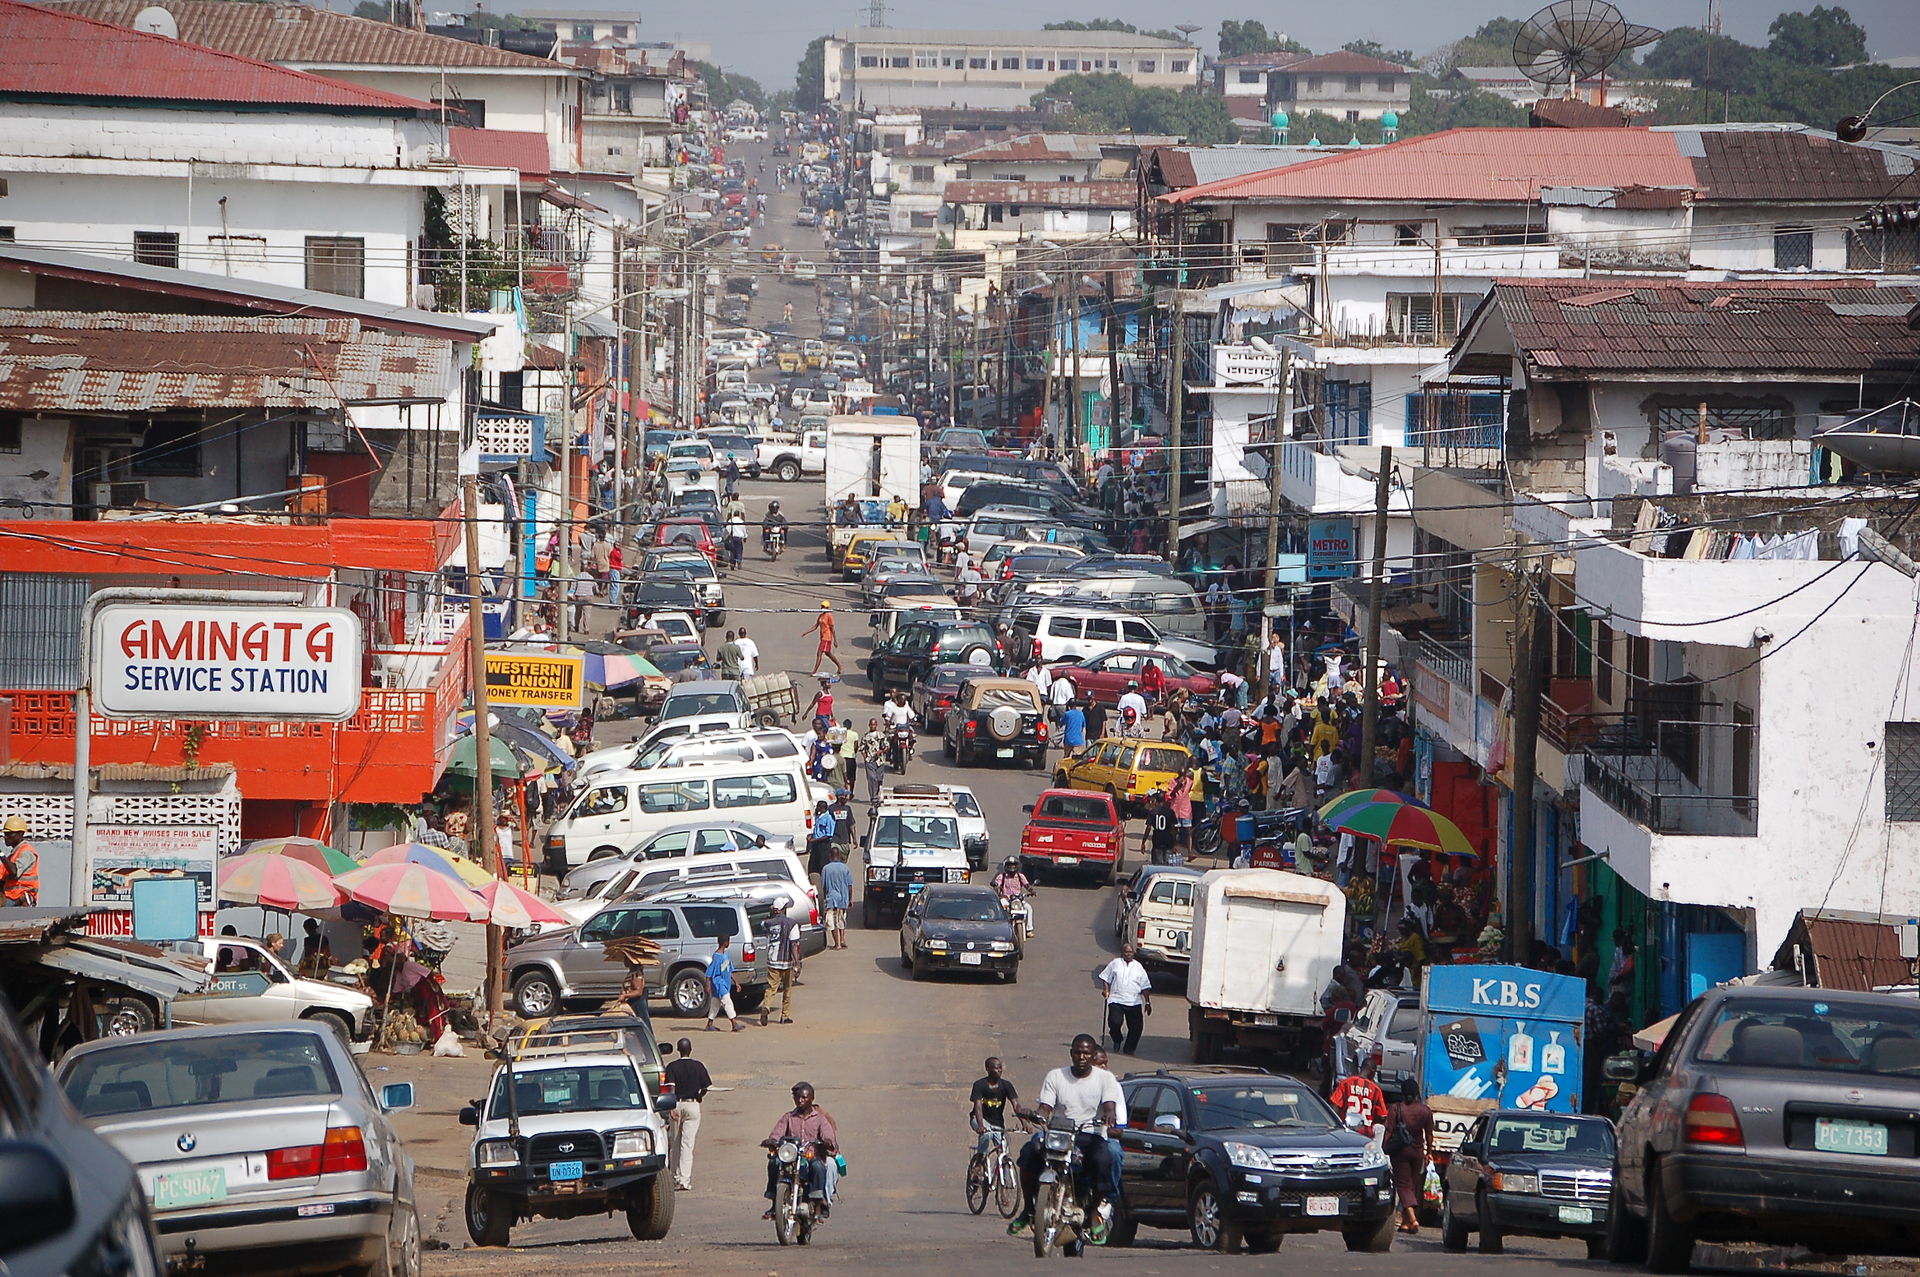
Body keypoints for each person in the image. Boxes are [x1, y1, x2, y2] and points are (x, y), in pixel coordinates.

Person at [1007, 1034, 1122, 1242]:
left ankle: (1095, 1212)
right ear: (1071, 1054)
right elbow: (1045, 1108)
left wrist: (1109, 1115)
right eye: (1077, 1052)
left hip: (1090, 1135)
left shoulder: (1105, 1079)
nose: (1082, 1056)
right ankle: (1028, 1210)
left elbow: (1109, 1105)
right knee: (1029, 1151)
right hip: (1059, 1134)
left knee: (1105, 1159)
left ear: (1092, 1055)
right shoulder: (1056, 1076)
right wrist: (1037, 1114)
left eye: (1086, 1053)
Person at [762, 1082, 840, 1218]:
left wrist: (826, 1141)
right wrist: (772, 1140)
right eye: (798, 1097)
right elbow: (777, 1132)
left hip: (811, 1156)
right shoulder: (788, 1117)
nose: (800, 1100)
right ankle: (775, 1203)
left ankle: (818, 1205)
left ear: (812, 1098)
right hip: (792, 1156)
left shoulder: (820, 1119)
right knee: (774, 1162)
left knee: (818, 1167)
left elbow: (828, 1135)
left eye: (804, 1098)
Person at [661, 1039, 712, 1192]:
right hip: (692, 1105)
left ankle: (674, 1177)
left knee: (675, 1143)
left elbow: (670, 1089)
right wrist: (699, 1096)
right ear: (691, 1049)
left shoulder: (672, 1067)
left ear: (677, 1049)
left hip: (676, 1104)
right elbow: (706, 1087)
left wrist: (670, 1106)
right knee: (687, 1145)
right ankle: (685, 1180)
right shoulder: (698, 1066)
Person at [1385, 1078, 1436, 1233]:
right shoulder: (1425, 1111)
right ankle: (1406, 1223)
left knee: (1403, 1186)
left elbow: (1388, 1130)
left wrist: (1383, 1148)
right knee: (1413, 1186)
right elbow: (1429, 1134)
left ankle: (1413, 1220)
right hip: (1417, 1152)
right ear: (1416, 1093)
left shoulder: (1396, 1109)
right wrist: (1429, 1153)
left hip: (1400, 1152)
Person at [1097, 942, 1152, 1054]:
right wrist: (1106, 990)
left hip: (1134, 1002)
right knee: (1114, 1022)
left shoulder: (1138, 967)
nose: (1128, 954)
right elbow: (1105, 977)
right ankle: (1117, 1039)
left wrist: (1147, 1002)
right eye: (1126, 952)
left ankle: (1129, 1048)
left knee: (1136, 1028)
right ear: (1122, 953)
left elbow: (1145, 986)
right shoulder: (1115, 963)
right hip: (1116, 1000)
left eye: (1130, 952)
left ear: (1134, 953)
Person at [1329, 1056, 1390, 1143]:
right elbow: (1382, 1116)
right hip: (1366, 1135)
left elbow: (1335, 1108)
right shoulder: (1375, 1090)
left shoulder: (1346, 1084)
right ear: (1372, 1070)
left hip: (1346, 1132)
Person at [761, 896, 802, 1025]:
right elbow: (794, 945)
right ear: (784, 909)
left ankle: (766, 1006)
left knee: (771, 987)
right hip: (786, 961)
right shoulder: (792, 924)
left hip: (772, 960)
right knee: (787, 989)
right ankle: (785, 1016)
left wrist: (771, 913)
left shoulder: (768, 923)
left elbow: (762, 924)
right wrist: (797, 963)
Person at [970, 1056, 1020, 1155]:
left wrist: (1024, 1123)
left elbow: (1016, 1105)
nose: (999, 1070)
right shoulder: (980, 1085)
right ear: (987, 1069)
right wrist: (980, 1125)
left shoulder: (1006, 1085)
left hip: (997, 1123)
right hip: (979, 1119)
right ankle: (979, 1162)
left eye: (1000, 1068)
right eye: (996, 1068)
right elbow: (978, 1107)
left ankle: (1004, 1168)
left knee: (1004, 1152)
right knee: (986, 1134)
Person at [702, 935, 744, 1032]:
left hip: (725, 983)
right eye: (728, 941)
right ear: (725, 942)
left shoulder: (726, 955)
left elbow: (729, 970)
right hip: (718, 983)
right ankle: (734, 1023)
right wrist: (708, 985)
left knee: (715, 1004)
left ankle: (709, 1024)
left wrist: (736, 982)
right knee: (727, 1002)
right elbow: (710, 972)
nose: (729, 943)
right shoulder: (717, 957)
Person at [0, 815, 39, 907]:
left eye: (9, 833)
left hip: (18, 899)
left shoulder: (26, 852)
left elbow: (14, 872)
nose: (6, 837)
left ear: (20, 833)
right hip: (9, 896)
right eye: (5, 834)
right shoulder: (12, 856)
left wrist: (1, 854)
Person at [820, 847, 853, 949]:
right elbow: (849, 885)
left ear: (830, 856)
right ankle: (842, 938)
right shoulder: (845, 868)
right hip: (843, 899)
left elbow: (823, 886)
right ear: (839, 856)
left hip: (831, 899)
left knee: (832, 922)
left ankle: (837, 944)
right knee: (841, 919)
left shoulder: (826, 869)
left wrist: (824, 899)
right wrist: (850, 899)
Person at [804, 601, 841, 676]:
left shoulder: (829, 616)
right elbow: (816, 626)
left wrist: (835, 640)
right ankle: (839, 666)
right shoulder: (821, 616)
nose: (822, 608)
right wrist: (807, 632)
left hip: (827, 638)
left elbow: (832, 628)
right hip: (822, 637)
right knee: (828, 653)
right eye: (822, 606)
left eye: (824, 607)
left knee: (819, 653)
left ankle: (814, 671)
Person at [858, 716, 889, 804]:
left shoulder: (881, 735)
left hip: (880, 760)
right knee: (872, 778)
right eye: (871, 725)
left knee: (879, 778)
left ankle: (878, 793)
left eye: (874, 725)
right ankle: (873, 797)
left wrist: (881, 751)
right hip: (870, 761)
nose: (873, 726)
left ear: (876, 725)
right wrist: (866, 758)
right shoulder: (866, 736)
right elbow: (861, 748)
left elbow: (887, 746)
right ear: (869, 725)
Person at [806, 801, 836, 877]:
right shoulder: (818, 817)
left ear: (822, 808)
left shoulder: (828, 818)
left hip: (823, 844)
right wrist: (811, 836)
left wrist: (815, 839)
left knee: (822, 863)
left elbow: (829, 834)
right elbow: (817, 830)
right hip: (815, 844)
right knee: (813, 863)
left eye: (818, 807)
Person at [835, 718, 861, 789]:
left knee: (842, 775)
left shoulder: (840, 733)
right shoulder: (854, 734)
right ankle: (851, 791)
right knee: (852, 777)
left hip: (842, 757)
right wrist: (854, 752)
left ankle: (843, 789)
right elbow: (856, 746)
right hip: (851, 757)